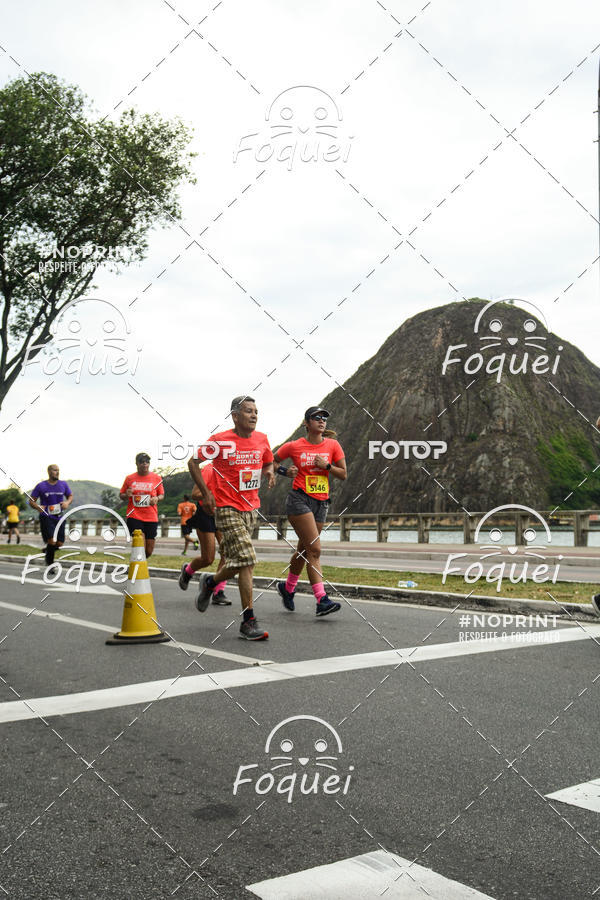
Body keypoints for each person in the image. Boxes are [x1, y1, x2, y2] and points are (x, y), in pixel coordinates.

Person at [187, 396, 274, 640]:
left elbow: (269, 460)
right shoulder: (220, 440)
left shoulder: (262, 439)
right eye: (248, 411)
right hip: (225, 507)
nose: (254, 415)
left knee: (241, 561)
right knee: (247, 559)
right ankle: (248, 621)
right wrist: (206, 493)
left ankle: (210, 582)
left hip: (251, 508)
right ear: (235, 416)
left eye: (256, 411)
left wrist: (269, 471)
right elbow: (193, 462)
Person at [274, 406, 347, 616]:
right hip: (299, 500)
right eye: (316, 417)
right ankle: (321, 600)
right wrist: (285, 471)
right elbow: (272, 460)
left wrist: (326, 466)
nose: (322, 420)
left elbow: (343, 474)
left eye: (324, 417)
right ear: (307, 423)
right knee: (315, 550)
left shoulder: (333, 445)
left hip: (321, 503)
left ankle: (287, 589)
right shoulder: (295, 446)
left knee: (306, 550)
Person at [179, 463, 230, 606]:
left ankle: (218, 592)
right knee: (208, 559)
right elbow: (195, 494)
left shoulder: (232, 468)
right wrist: (213, 493)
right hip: (206, 514)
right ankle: (187, 571)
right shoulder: (209, 469)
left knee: (228, 553)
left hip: (223, 514)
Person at [119, 452, 164, 558]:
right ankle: (137, 569)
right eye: (141, 462)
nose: (144, 464)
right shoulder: (129, 478)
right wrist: (127, 495)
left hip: (151, 516)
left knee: (148, 550)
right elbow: (121, 495)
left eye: (147, 462)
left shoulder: (156, 478)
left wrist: (156, 498)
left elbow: (161, 494)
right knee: (140, 546)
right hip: (134, 516)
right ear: (137, 464)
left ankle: (136, 564)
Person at [29, 465, 73, 565]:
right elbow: (31, 501)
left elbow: (70, 496)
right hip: (47, 517)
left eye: (58, 470)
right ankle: (50, 565)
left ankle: (48, 551)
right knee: (52, 541)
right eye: (54, 470)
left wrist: (67, 502)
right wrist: (37, 507)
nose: (57, 472)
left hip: (60, 517)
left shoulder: (63, 484)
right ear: (49, 472)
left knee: (59, 543)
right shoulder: (41, 486)